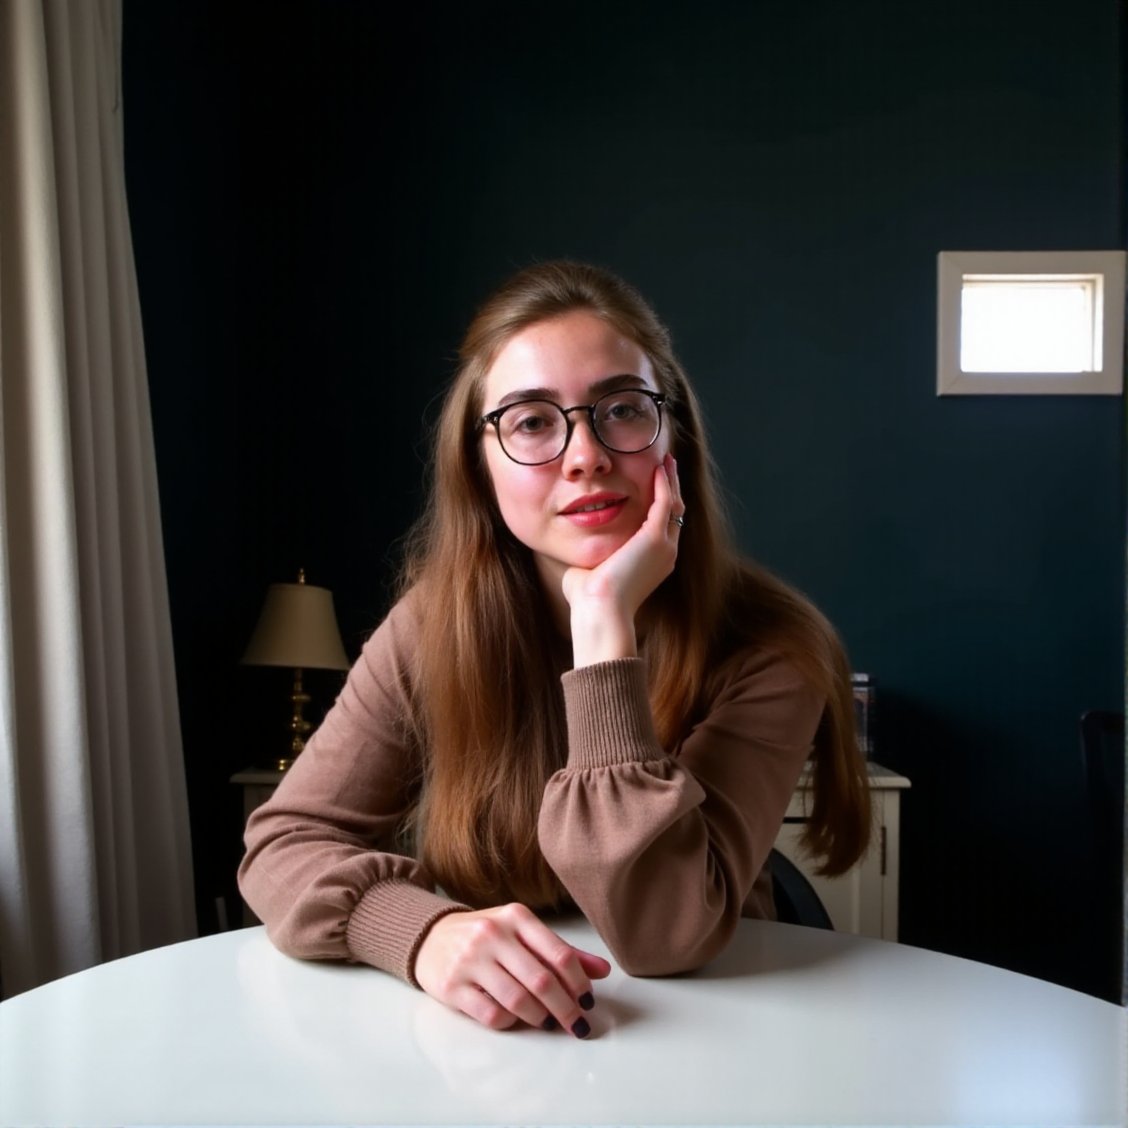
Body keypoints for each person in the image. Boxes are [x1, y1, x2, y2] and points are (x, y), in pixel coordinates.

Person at [238, 260, 871, 1039]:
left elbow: (667, 937)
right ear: (480, 464)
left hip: (721, 1033)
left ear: (674, 437)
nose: (585, 456)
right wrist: (421, 932)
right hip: (491, 1039)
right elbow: (283, 843)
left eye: (622, 409)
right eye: (532, 420)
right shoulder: (430, 629)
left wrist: (603, 626)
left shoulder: (774, 644)